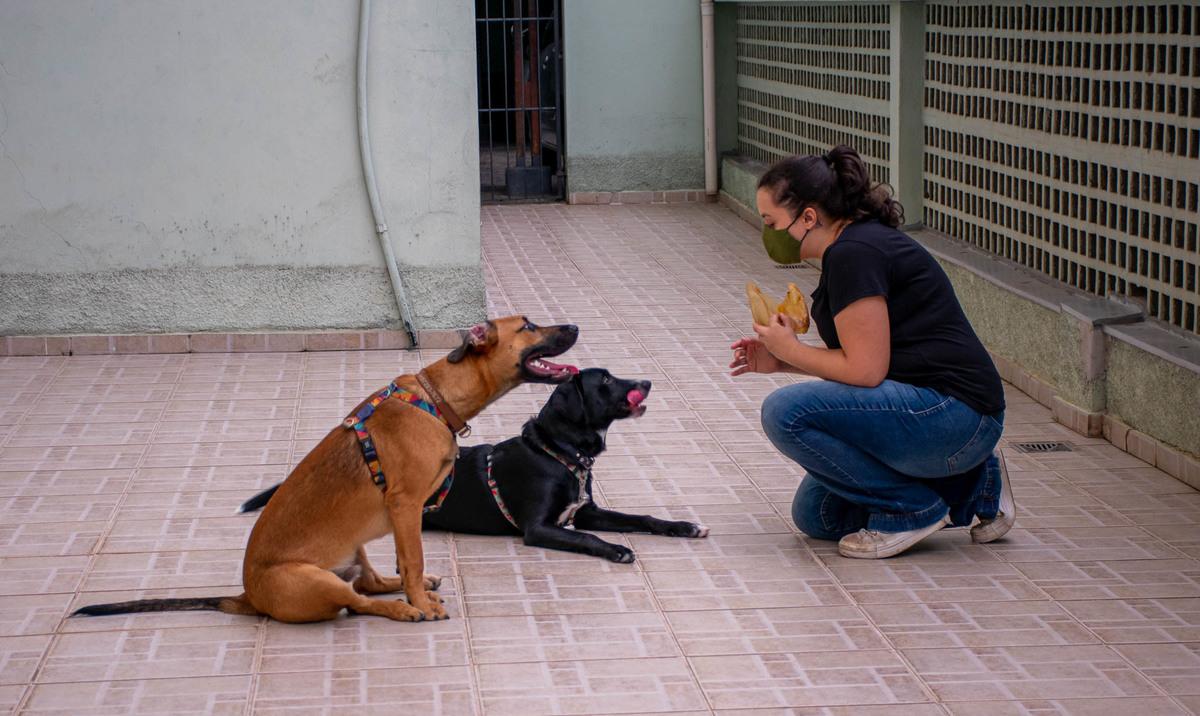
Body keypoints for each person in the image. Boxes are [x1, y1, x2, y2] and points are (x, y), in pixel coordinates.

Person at [729, 145, 1014, 559]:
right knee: (818, 516)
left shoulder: (853, 254)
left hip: (957, 415)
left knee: (782, 412)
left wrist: (792, 349)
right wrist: (782, 360)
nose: (770, 234)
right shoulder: (850, 249)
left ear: (809, 217)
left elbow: (865, 371)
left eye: (772, 222)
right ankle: (977, 483)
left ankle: (911, 511)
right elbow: (860, 364)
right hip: (929, 410)